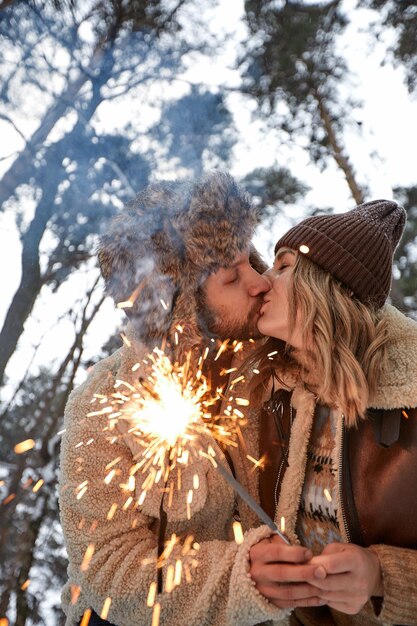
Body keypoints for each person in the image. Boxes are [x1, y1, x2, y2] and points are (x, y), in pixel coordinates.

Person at [60, 171, 299, 626]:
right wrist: (240, 574)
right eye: (233, 277)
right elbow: (108, 569)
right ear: (181, 307)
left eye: (251, 260)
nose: (260, 282)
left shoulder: (278, 353)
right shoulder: (103, 402)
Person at [244, 199, 417, 626]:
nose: (264, 282)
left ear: (326, 284)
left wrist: (383, 577)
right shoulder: (270, 395)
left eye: (283, 267)